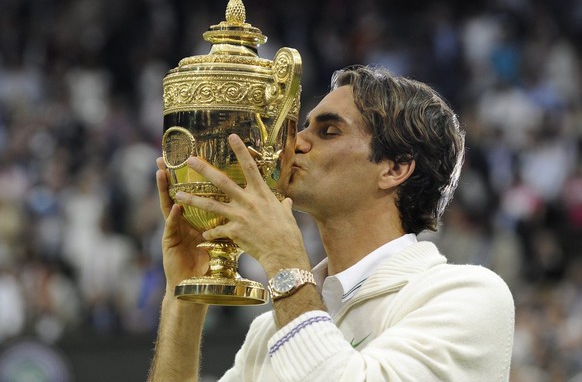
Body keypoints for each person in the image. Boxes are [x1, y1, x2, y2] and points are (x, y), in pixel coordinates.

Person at [147, 65, 515, 381]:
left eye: (328, 131)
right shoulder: (271, 329)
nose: (294, 143)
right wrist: (184, 293)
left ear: (394, 168)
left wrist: (284, 260)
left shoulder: (465, 295)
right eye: (302, 127)